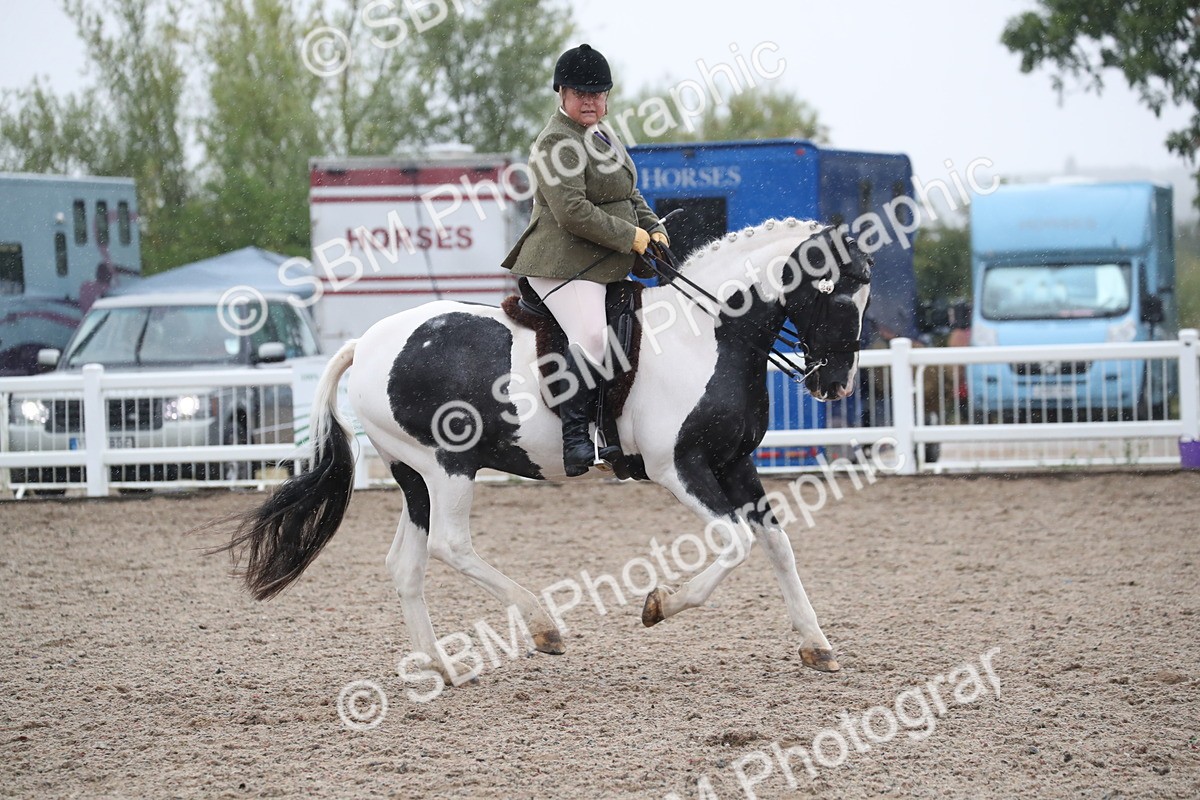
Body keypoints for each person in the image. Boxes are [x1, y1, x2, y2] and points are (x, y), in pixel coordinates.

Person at [501, 43, 669, 476]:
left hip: (601, 263)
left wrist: (654, 229)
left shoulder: (603, 136)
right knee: (593, 338)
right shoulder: (556, 142)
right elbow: (572, 212)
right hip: (560, 265)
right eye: (581, 93)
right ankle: (577, 436)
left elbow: (630, 194)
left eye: (598, 93)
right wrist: (630, 237)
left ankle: (616, 431)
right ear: (562, 93)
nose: (590, 101)